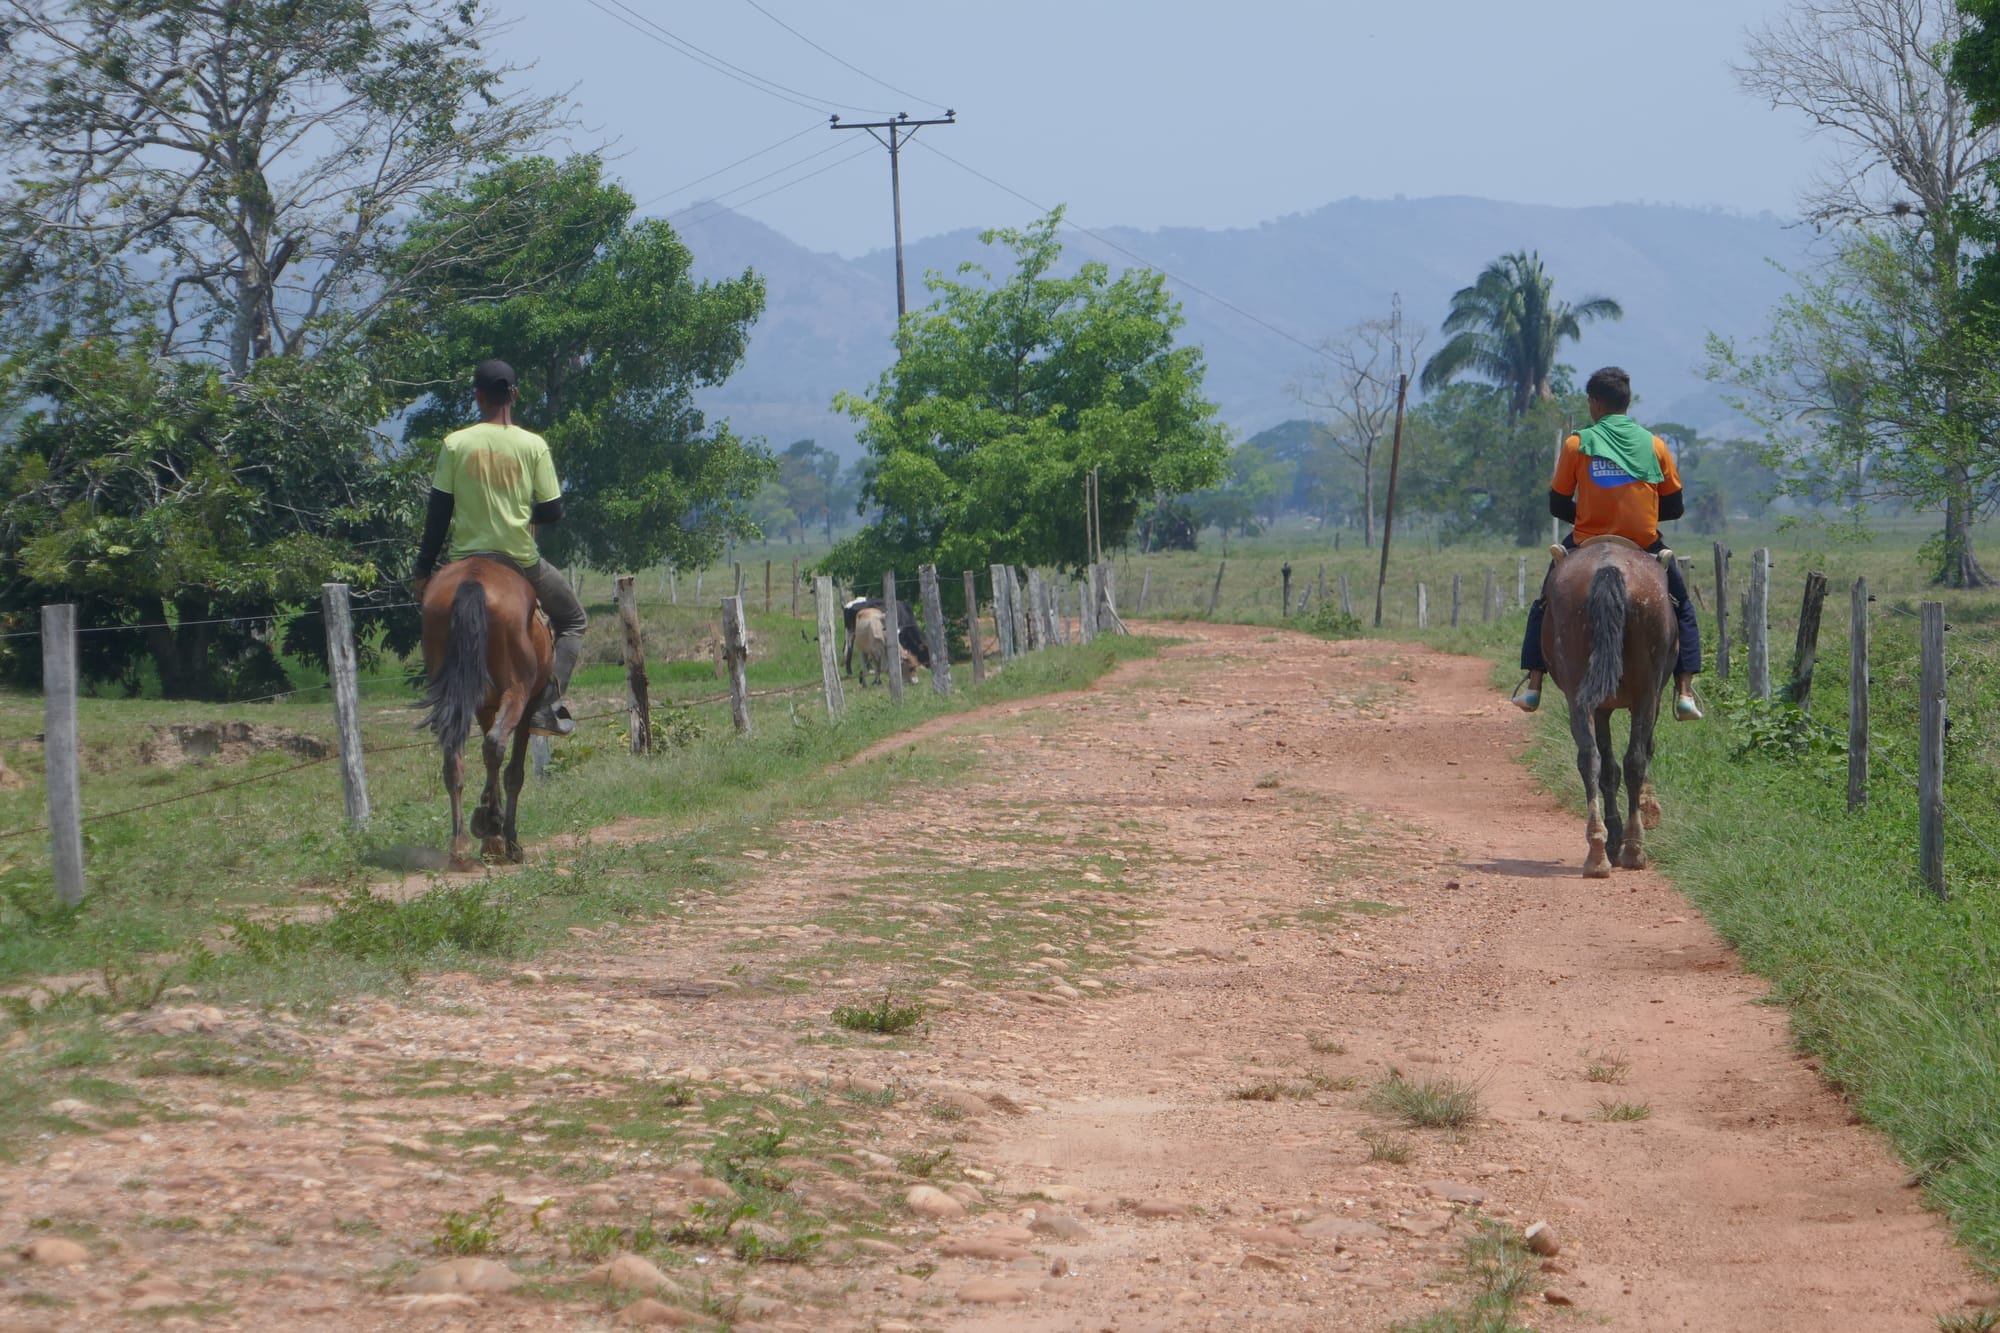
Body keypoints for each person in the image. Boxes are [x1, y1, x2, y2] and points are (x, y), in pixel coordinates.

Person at [1513, 366, 1702, 721]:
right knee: (1682, 605)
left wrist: (1592, 513)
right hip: (1643, 543)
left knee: (1543, 604)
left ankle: (1534, 684)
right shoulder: (1655, 445)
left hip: (1587, 540)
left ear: (1595, 404)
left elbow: (1556, 504)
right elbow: (1675, 507)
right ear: (1626, 403)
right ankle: (1684, 692)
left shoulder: (1577, 443)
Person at [413, 359, 585, 737]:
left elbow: (438, 512)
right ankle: (544, 706)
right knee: (573, 621)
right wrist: (525, 513)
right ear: (515, 395)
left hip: (463, 560)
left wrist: (424, 569)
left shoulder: (455, 444)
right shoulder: (533, 445)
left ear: (478, 397)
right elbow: (554, 510)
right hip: (520, 561)